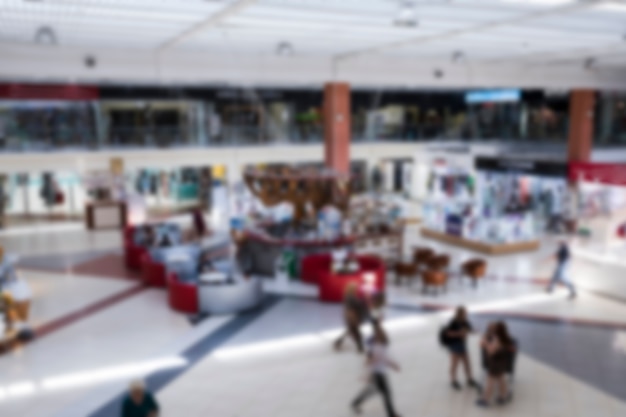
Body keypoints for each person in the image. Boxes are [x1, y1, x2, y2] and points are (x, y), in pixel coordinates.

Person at [351, 324, 401, 417]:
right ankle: (391, 414)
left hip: (379, 373)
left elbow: (384, 359)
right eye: (380, 333)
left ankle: (355, 403)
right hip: (378, 374)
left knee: (373, 391)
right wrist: (373, 362)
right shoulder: (376, 347)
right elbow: (369, 361)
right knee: (386, 393)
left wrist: (393, 365)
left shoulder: (381, 346)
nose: (382, 334)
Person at [476, 321, 516, 407]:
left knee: (490, 381)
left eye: (494, 328)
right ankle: (502, 398)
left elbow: (491, 352)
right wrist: (486, 339)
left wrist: (486, 343)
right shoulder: (506, 338)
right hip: (502, 363)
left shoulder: (497, 339)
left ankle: (485, 400)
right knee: (501, 379)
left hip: (495, 364)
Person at [445, 306, 478, 390]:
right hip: (455, 345)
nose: (466, 314)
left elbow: (469, 330)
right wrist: (459, 333)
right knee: (454, 364)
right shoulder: (453, 322)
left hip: (462, 345)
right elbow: (448, 334)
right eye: (465, 312)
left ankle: (469, 379)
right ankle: (453, 380)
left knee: (467, 363)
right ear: (460, 313)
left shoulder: (465, 322)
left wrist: (474, 331)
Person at [334, 282, 368, 354]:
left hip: (349, 316)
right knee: (355, 331)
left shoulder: (347, 296)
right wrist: (363, 301)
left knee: (351, 330)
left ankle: (338, 342)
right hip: (352, 316)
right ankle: (360, 347)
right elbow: (358, 305)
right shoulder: (351, 297)